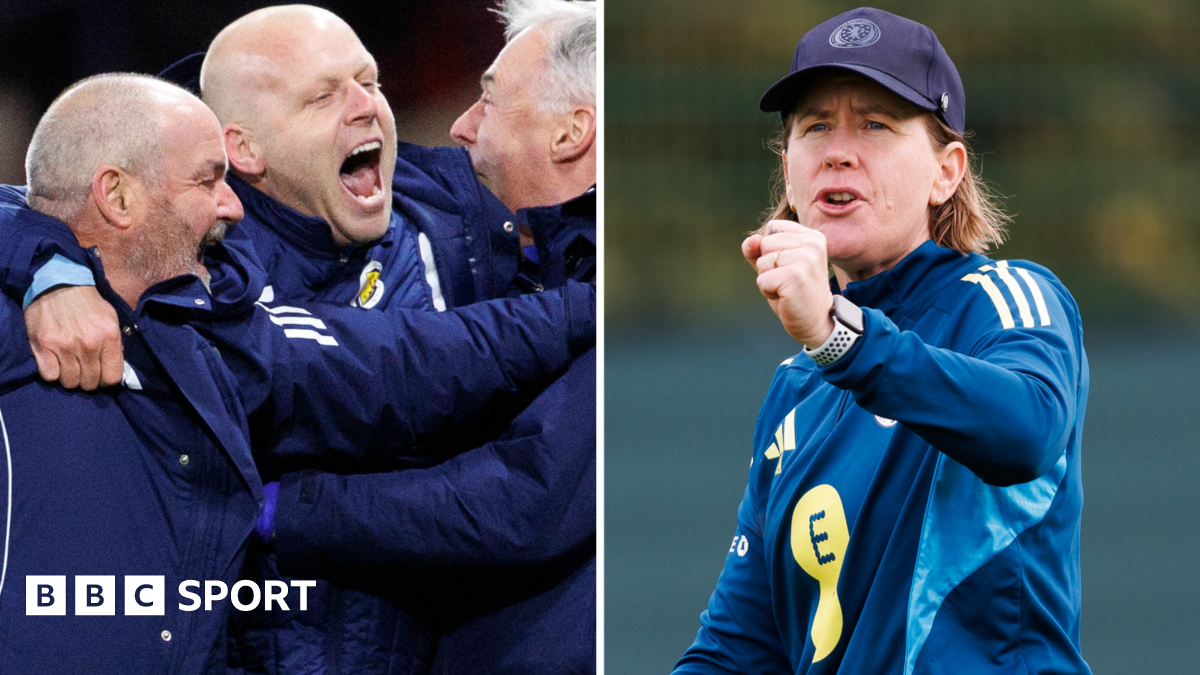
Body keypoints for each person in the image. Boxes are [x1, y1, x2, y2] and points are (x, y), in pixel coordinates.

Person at [13, 3, 598, 673]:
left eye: (371, 81)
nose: (366, 106)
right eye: (323, 96)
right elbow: (44, 199)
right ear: (245, 150)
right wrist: (49, 265)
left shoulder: (452, 221)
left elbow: (526, 489)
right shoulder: (196, 241)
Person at [673, 8, 1090, 675]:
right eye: (815, 127)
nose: (839, 149)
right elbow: (737, 649)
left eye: (876, 124)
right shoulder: (795, 386)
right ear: (789, 166)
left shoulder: (1005, 298)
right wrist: (831, 343)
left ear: (946, 171)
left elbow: (1029, 428)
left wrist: (841, 338)